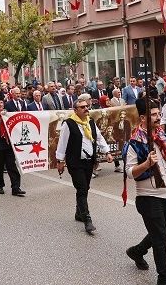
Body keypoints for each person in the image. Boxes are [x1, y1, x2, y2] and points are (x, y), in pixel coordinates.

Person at [124, 98, 166, 285]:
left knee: (159, 234)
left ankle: (137, 251)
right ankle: (164, 278)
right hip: (148, 198)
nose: (158, 117)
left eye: (159, 114)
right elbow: (129, 172)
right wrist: (147, 164)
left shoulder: (162, 137)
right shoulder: (135, 142)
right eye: (154, 115)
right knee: (160, 240)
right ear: (143, 117)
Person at [56, 98, 114, 234]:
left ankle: (78, 212)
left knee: (85, 187)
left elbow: (99, 138)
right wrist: (60, 161)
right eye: (82, 107)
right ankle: (87, 220)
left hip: (89, 161)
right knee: (82, 188)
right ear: (75, 110)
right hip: (75, 162)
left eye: (87, 106)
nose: (86, 108)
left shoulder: (90, 122)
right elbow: (62, 143)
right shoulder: (68, 124)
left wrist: (107, 152)